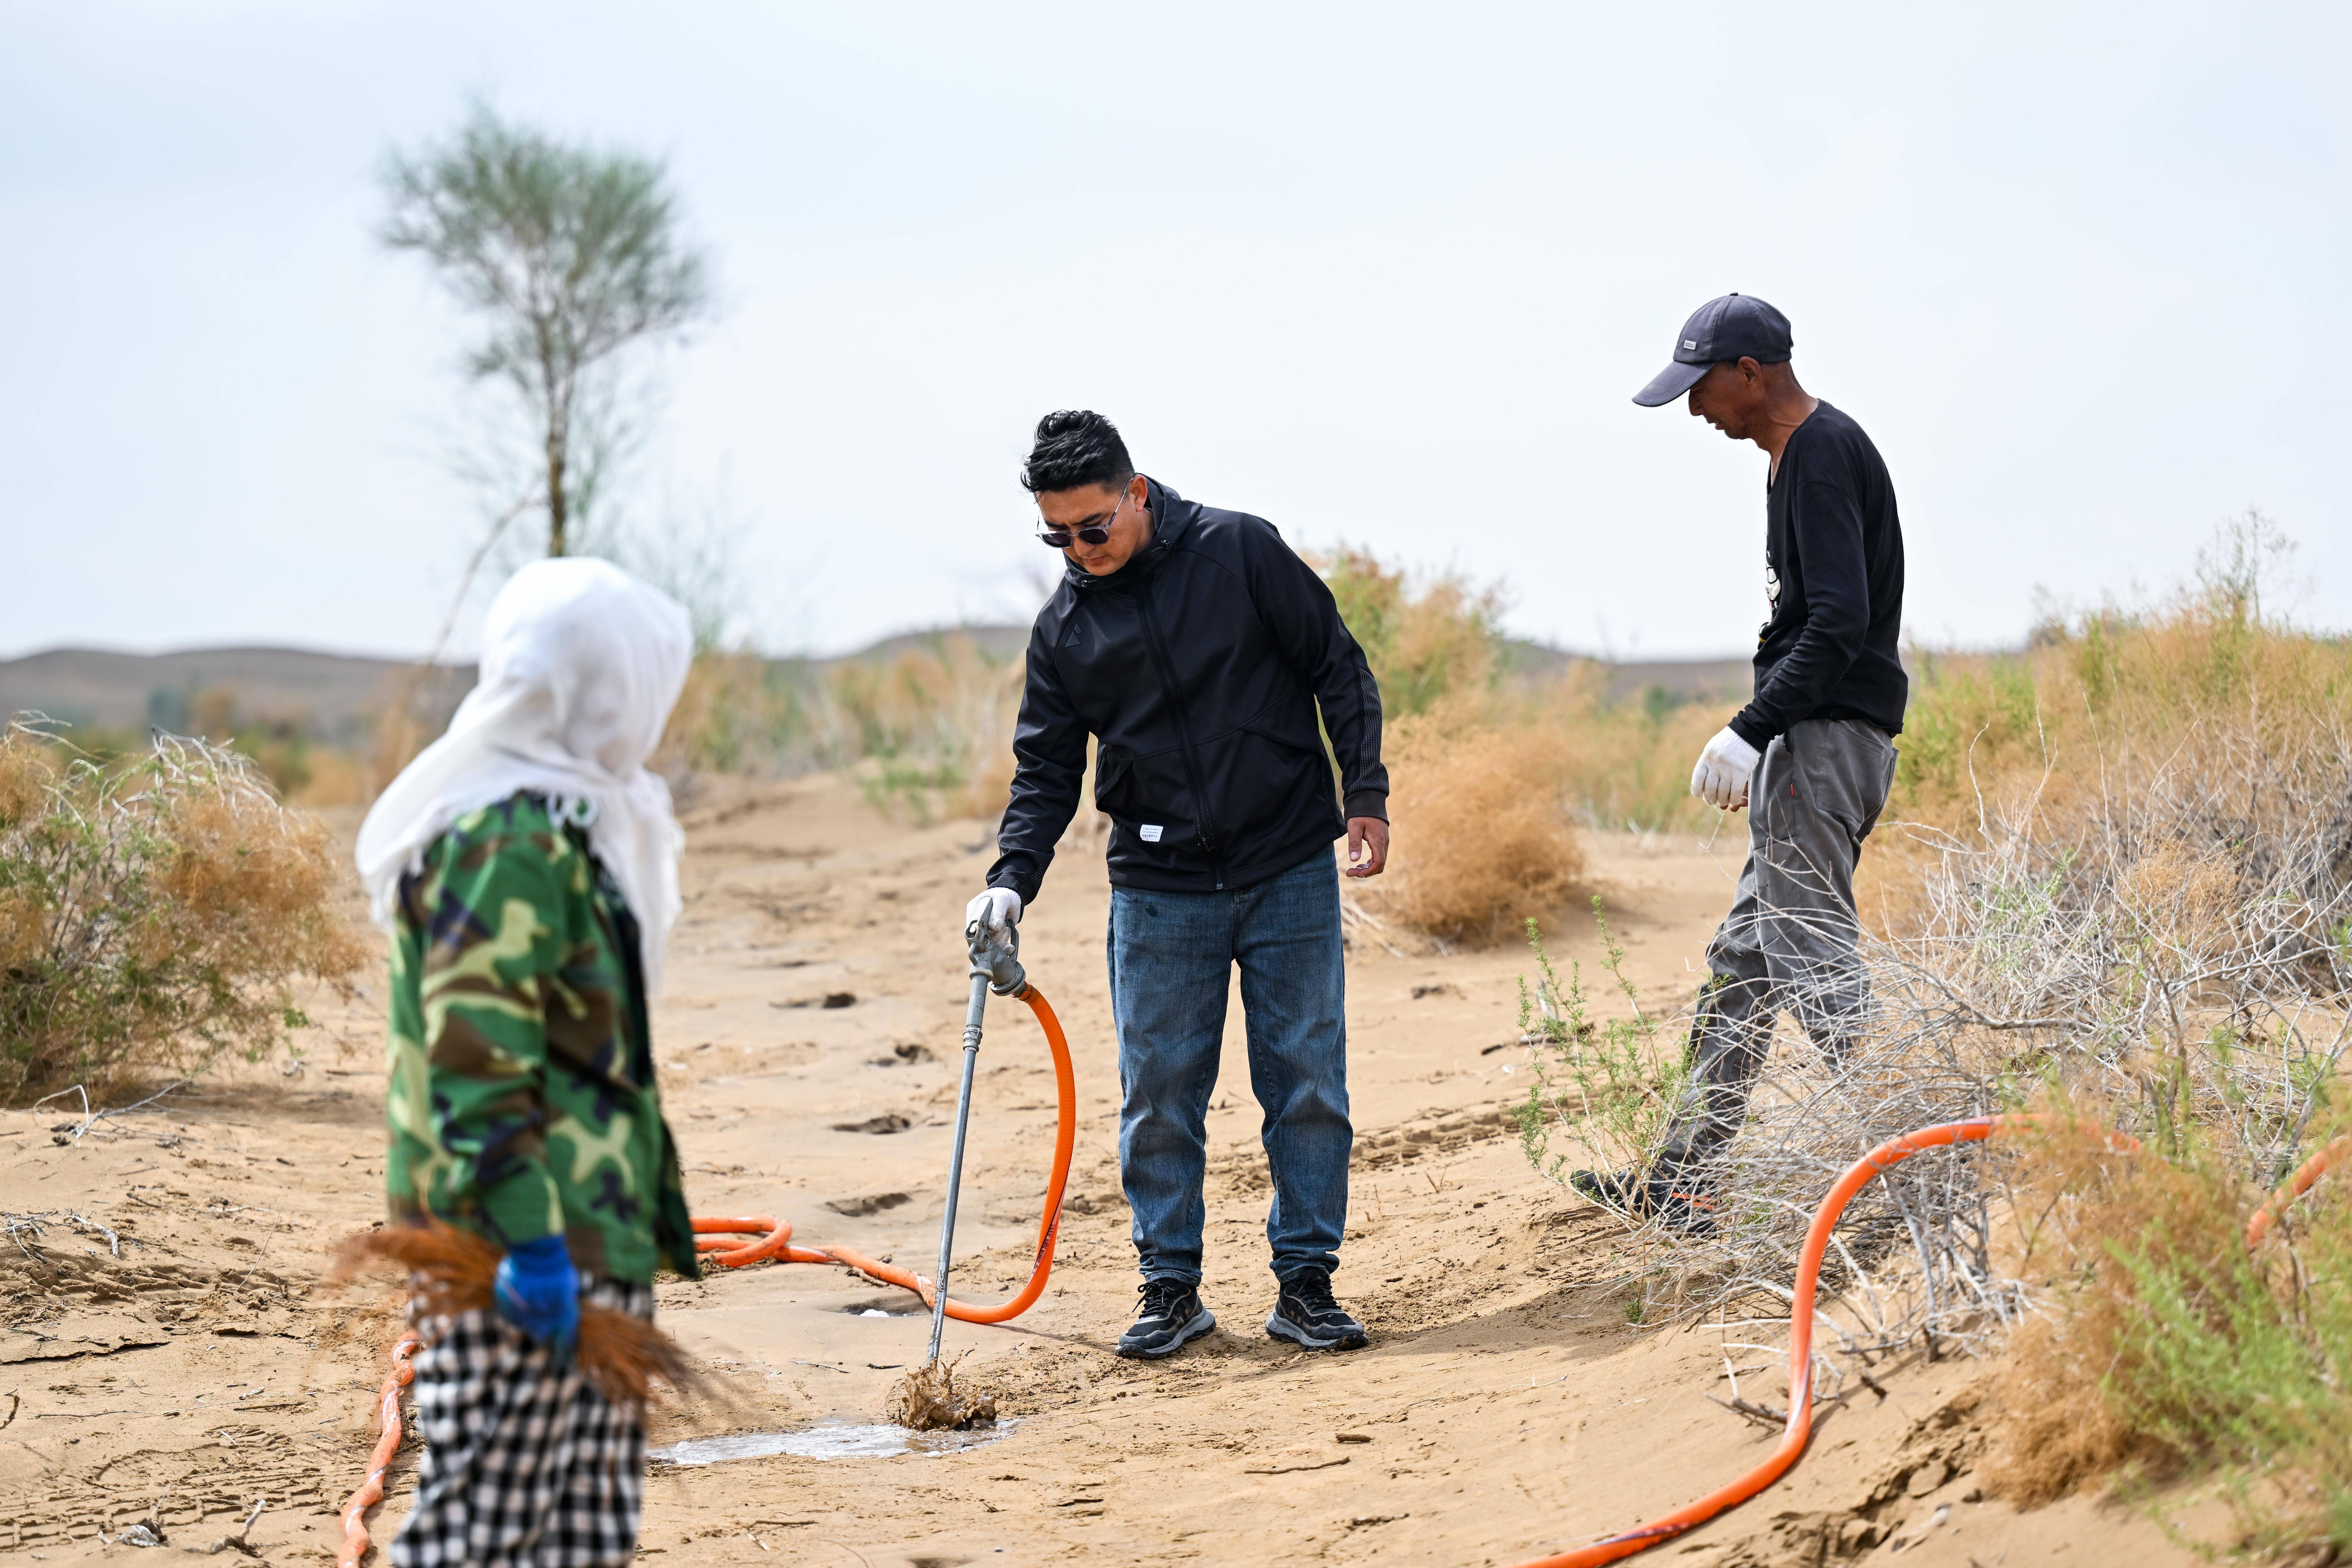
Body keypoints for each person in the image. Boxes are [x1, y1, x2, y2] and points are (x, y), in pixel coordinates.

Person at [968, 410, 1390, 1359]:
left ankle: (1307, 1284)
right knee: (1159, 1093)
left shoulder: (1240, 554)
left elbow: (1338, 666)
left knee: (1307, 1079)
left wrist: (1365, 792)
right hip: (1159, 888)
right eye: (1058, 536)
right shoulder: (1066, 628)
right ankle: (1170, 1288)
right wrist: (1009, 882)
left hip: (1286, 864)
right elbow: (1045, 773)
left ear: (1138, 495)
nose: (1079, 550)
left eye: (1094, 528)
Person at [355, 558, 699, 1568]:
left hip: (593, 1234)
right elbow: (474, 1064)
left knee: (587, 1524)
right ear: (598, 686)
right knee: (485, 1523)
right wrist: (530, 1244)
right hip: (515, 1250)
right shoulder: (498, 842)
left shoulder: (568, 825)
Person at [1578, 294, 1906, 1231]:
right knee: (1743, 967)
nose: (1694, 410)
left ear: (1750, 374)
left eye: (1702, 387)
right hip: (1818, 740)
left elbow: (1841, 622)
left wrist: (1753, 726)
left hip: (1824, 740)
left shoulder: (1819, 454)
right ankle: (1684, 1184)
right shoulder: (1794, 458)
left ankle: (1918, 1156)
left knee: (1814, 958)